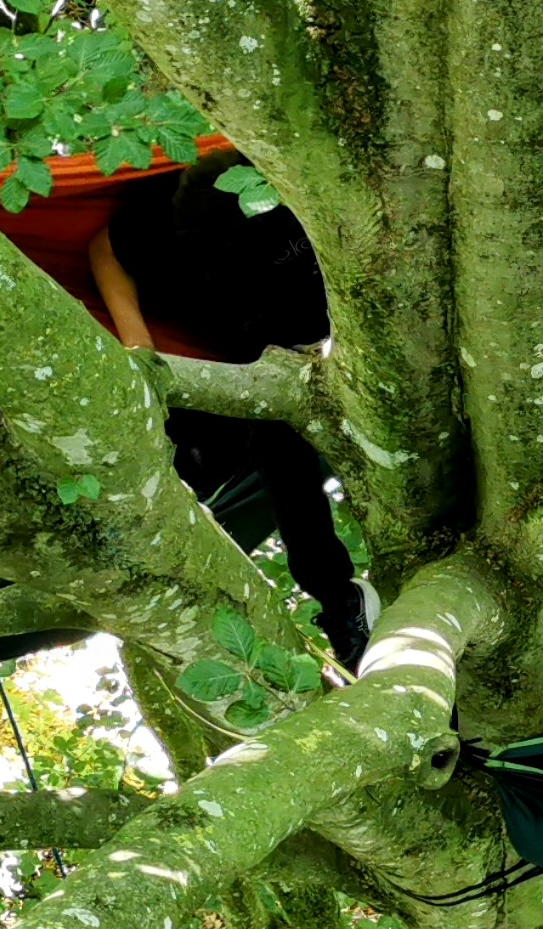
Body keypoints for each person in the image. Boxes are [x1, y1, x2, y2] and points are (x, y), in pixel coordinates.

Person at [84, 155, 376, 668]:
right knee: (246, 455)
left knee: (308, 448)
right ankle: (338, 600)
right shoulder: (160, 219)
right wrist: (138, 347)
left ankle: (339, 598)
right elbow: (104, 249)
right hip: (244, 365)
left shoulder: (303, 207)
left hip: (344, 338)